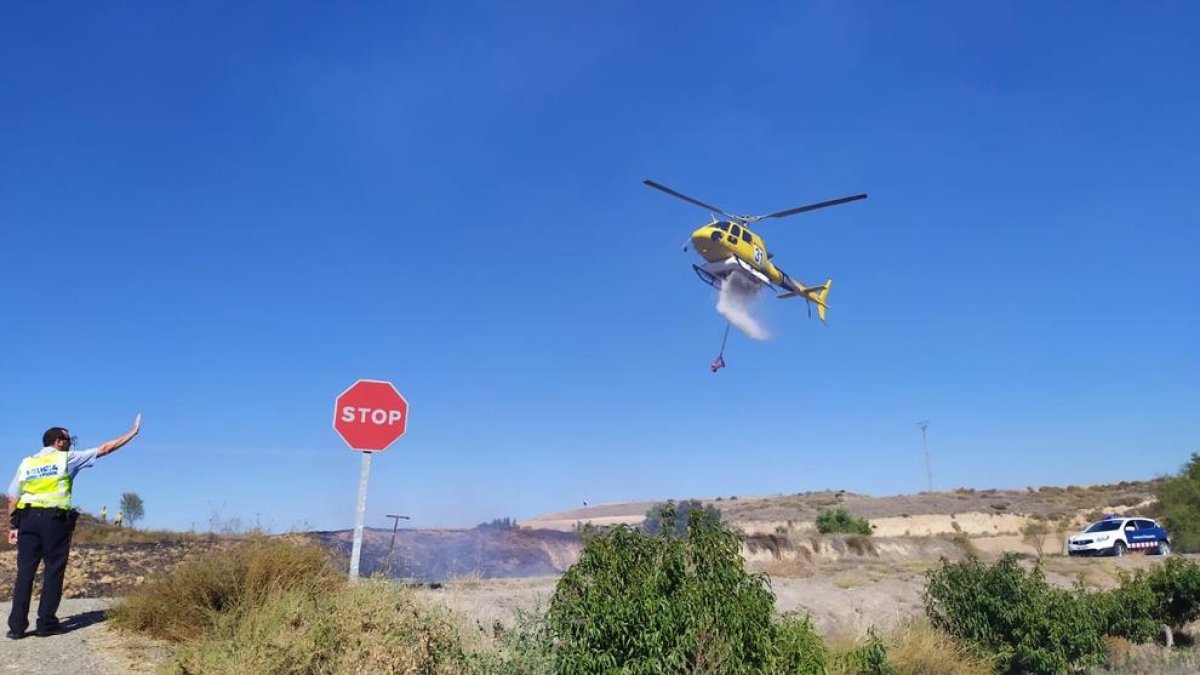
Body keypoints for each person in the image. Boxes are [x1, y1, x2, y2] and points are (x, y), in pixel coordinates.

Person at [6, 414, 142, 640]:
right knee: (53, 570)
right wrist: (132, 433)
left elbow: (12, 497)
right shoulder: (66, 459)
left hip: (27, 519)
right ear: (58, 442)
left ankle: (17, 627)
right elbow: (105, 449)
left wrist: (13, 527)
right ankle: (46, 623)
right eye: (68, 440)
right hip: (54, 520)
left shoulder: (27, 462)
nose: (71, 444)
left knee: (25, 573)